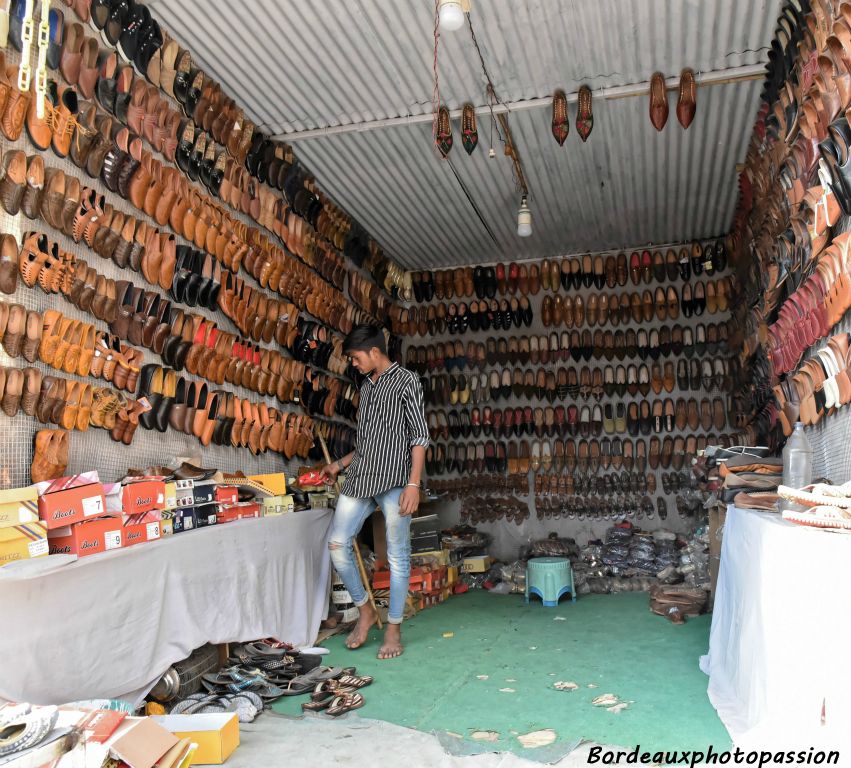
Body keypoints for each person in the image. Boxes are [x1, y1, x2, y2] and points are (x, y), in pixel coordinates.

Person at [320, 324, 429, 660]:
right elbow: (366, 442)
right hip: (362, 476)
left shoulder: (406, 381)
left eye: (355, 357)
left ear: (374, 351)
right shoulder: (366, 388)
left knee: (398, 557)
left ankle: (393, 628)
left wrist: (413, 483)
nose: (353, 363)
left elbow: (420, 436)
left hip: (396, 479)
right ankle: (366, 610)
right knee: (337, 545)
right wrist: (339, 464)